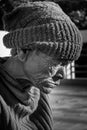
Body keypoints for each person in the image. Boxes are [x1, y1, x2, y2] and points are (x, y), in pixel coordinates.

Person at [0, 0, 82, 130]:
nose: (62, 75)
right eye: (57, 62)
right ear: (22, 51)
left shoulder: (37, 89)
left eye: (66, 64)